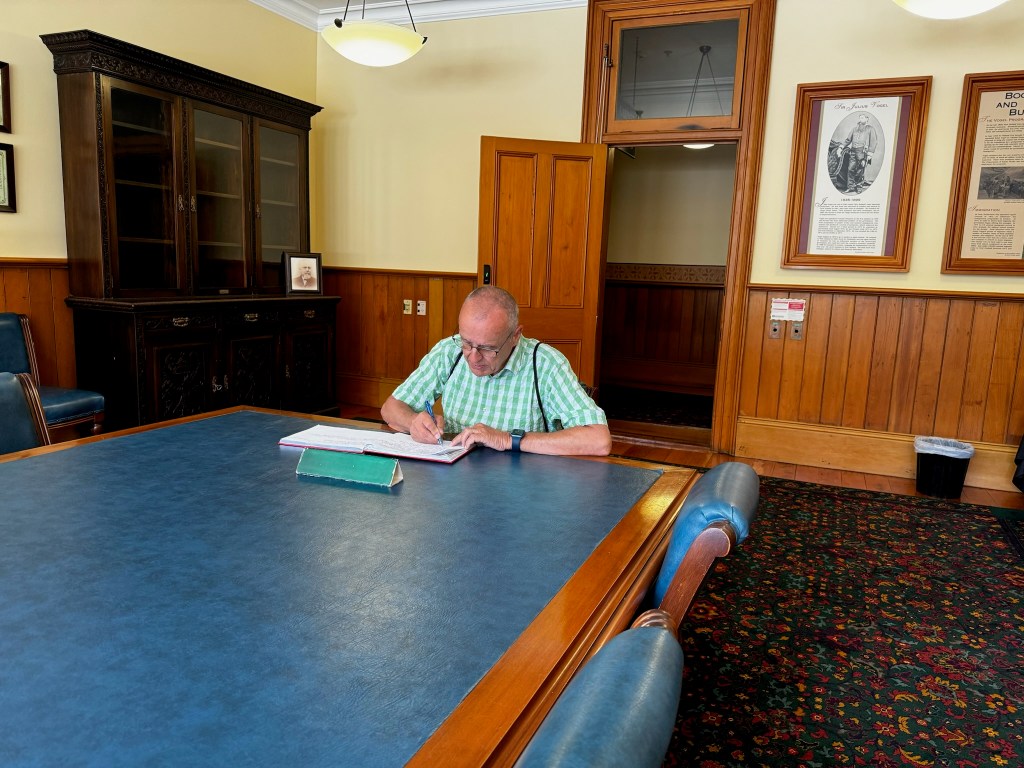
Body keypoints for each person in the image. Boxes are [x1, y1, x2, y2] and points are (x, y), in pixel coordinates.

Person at [381, 286, 612, 456]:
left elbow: (599, 439)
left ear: (515, 336)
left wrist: (507, 439)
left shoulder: (545, 364)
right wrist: (413, 421)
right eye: (466, 342)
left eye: (487, 348)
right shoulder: (449, 351)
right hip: (456, 482)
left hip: (525, 488)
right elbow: (390, 408)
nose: (473, 356)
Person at [831, 112, 877, 195]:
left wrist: (870, 154)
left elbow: (873, 141)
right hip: (853, 151)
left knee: (860, 169)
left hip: (862, 152)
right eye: (860, 117)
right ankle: (850, 187)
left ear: (867, 119)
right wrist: (841, 147)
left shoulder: (870, 129)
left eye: (862, 117)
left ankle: (859, 187)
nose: (860, 119)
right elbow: (848, 140)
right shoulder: (854, 129)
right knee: (850, 169)